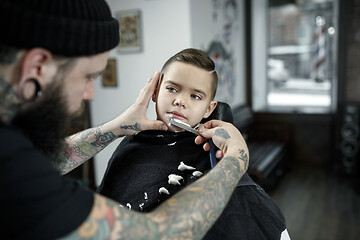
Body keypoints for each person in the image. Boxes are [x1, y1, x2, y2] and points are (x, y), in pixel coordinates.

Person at [0, 0, 250, 239]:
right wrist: (236, 160)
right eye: (88, 77)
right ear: (38, 67)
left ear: (210, 107)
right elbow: (159, 234)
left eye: (195, 96)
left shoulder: (14, 152)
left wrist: (117, 127)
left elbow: (43, 162)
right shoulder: (12, 167)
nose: (90, 94)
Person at [98, 48, 291, 239]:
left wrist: (236, 154)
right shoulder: (131, 144)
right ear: (155, 92)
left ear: (209, 109)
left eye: (195, 96)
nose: (180, 101)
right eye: (172, 89)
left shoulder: (210, 153)